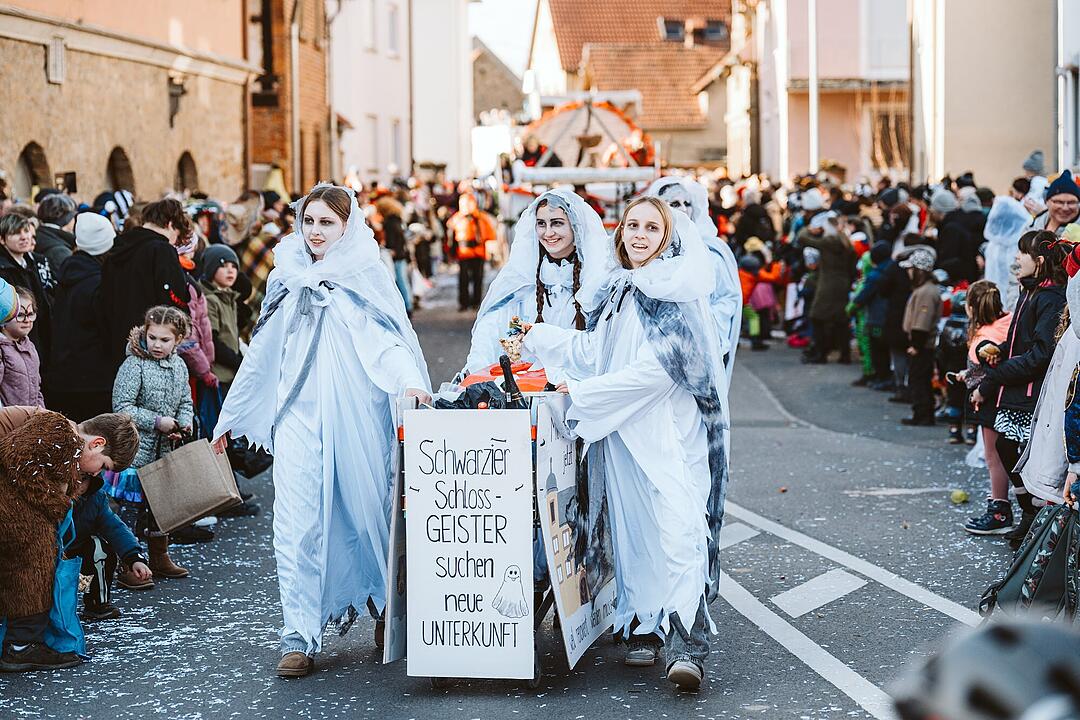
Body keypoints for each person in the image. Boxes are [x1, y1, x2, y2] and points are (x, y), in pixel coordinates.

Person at [210, 184, 431, 678]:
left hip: (357, 414)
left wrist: (411, 384)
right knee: (296, 523)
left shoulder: (367, 273)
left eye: (326, 223)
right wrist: (233, 416)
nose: (314, 232)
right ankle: (299, 634)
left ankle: (385, 606)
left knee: (370, 511)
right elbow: (263, 348)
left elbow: (387, 339)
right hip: (298, 417)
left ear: (348, 226)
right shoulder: (285, 273)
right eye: (308, 221)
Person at [522, 198, 727, 691]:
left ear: (667, 236)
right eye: (631, 224)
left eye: (650, 227)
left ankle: (689, 646)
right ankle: (645, 627)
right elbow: (598, 352)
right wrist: (539, 338)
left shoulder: (674, 293)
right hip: (623, 437)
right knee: (633, 536)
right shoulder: (621, 288)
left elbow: (661, 373)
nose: (638, 234)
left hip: (667, 437)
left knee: (679, 533)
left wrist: (583, 393)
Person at [0, 408, 133, 672]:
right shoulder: (61, 432)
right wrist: (55, 503)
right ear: (97, 443)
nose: (96, 475)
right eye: (103, 467)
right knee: (32, 564)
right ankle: (20, 646)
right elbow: (15, 457)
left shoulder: (66, 442)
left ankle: (21, 643)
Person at [972, 230, 1070, 548]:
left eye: (1022, 254)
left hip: (1032, 392)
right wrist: (997, 349)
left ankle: (1033, 517)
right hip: (1017, 388)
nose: (1017, 259)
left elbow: (1041, 354)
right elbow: (1018, 338)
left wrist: (999, 372)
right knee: (1006, 449)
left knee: (1020, 453)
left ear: (1039, 262)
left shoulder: (1050, 297)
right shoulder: (1031, 291)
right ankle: (1027, 514)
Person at [464, 188, 610, 375]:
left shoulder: (596, 279)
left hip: (578, 387)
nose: (548, 233)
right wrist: (478, 365)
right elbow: (492, 326)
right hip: (528, 390)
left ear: (575, 226)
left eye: (557, 223)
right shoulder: (521, 277)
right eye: (541, 224)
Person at [110, 306, 194, 580]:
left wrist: (184, 422)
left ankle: (159, 556)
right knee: (126, 508)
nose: (157, 344)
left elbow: (185, 400)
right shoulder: (135, 364)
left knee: (160, 506)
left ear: (178, 340)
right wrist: (157, 422)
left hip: (164, 451)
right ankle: (127, 562)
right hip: (134, 450)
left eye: (165, 340)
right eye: (152, 337)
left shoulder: (179, 365)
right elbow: (122, 406)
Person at [647, 176, 742, 384]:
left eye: (686, 203)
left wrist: (707, 326)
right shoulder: (644, 250)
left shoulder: (712, 252)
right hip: (654, 357)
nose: (682, 209)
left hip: (701, 351)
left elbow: (728, 297)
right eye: (674, 203)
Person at [98, 198, 192, 374]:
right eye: (177, 236)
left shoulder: (116, 250)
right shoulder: (162, 250)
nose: (175, 242)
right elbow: (173, 305)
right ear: (171, 224)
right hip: (152, 349)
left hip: (116, 348)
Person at [46, 213, 116, 420]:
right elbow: (106, 327)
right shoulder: (98, 283)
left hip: (63, 374)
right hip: (93, 379)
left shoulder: (69, 274)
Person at [961, 281, 1016, 535]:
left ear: (972, 307)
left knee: (994, 457)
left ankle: (999, 510)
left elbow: (993, 367)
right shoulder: (1008, 322)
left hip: (990, 401)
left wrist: (979, 387)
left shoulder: (984, 342)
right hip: (1007, 398)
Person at [799, 211, 857, 364]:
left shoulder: (828, 242)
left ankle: (821, 352)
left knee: (817, 317)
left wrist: (810, 228)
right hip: (843, 284)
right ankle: (844, 354)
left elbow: (803, 238)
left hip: (827, 284)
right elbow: (852, 268)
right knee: (841, 320)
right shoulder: (847, 242)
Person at [0, 210, 53, 368]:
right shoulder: (3, 271)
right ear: (2, 239)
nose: (24, 237)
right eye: (16, 233)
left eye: (26, 231)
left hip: (38, 338)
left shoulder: (33, 262)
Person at [900, 249, 942, 426]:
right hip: (922, 343)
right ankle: (922, 412)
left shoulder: (926, 292)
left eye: (911, 268)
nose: (908, 272)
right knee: (920, 378)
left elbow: (922, 321)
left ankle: (923, 413)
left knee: (919, 379)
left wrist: (916, 344)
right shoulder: (925, 289)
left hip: (923, 344)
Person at [200, 245, 242, 390]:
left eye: (234, 266)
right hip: (218, 374)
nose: (231, 270)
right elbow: (212, 341)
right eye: (224, 265)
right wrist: (238, 361)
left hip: (230, 372)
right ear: (211, 269)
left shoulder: (229, 298)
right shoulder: (210, 299)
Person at [447, 193, 496, 311]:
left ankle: (476, 302)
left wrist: (492, 253)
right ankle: (464, 303)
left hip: (478, 253)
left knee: (478, 278)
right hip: (463, 253)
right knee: (463, 279)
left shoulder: (482, 218)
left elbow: (490, 235)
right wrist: (451, 253)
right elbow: (450, 237)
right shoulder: (456, 219)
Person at [0, 287, 44, 407]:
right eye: (20, 315)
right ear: (4, 316)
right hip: (9, 422)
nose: (27, 320)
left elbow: (37, 390)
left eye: (30, 314)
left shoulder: (30, 347)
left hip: (31, 420)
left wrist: (42, 414)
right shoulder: (2, 349)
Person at [376, 195, 413, 316]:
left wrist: (393, 250)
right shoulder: (397, 220)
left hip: (396, 255)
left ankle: (406, 308)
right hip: (400, 254)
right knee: (402, 281)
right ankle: (407, 306)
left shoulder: (390, 222)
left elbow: (396, 238)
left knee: (400, 282)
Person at [34, 193, 78, 272]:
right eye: (73, 217)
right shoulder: (60, 252)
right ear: (66, 219)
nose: (75, 220)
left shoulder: (40, 235)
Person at [1029, 170, 1080, 237]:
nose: (1065, 208)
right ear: (1047, 202)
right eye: (1059, 202)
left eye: (1071, 202)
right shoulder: (1037, 221)